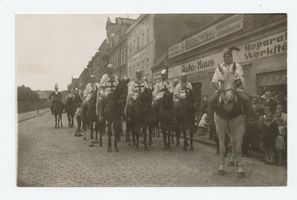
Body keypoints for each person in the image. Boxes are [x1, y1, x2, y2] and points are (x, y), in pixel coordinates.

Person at [208, 47, 251, 124]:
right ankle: (211, 121)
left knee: (247, 100)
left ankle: (248, 119)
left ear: (231, 57)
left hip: (235, 88)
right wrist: (218, 89)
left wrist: (233, 87)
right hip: (221, 88)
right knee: (210, 101)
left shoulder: (237, 66)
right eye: (225, 56)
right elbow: (214, 81)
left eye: (228, 56)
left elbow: (240, 79)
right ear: (223, 57)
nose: (227, 58)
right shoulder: (219, 68)